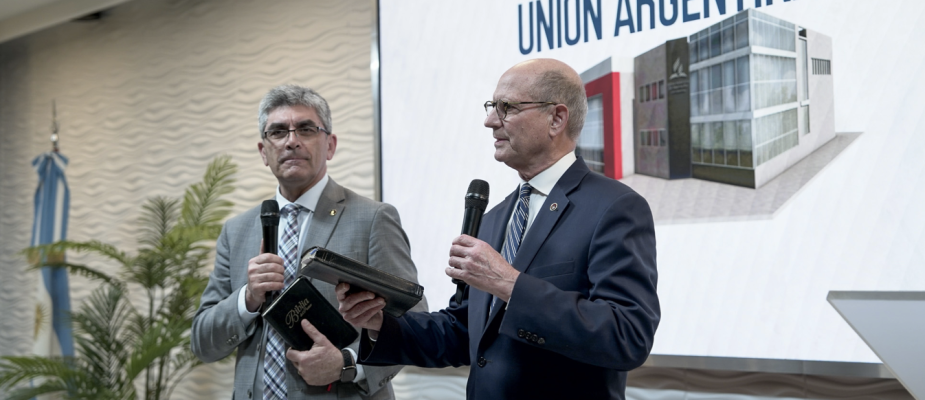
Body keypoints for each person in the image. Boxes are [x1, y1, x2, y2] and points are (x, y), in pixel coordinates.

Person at [337, 59, 660, 400]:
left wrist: (509, 283)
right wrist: (378, 323)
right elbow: (463, 332)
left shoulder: (615, 207)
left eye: (507, 107)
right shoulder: (495, 217)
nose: (490, 121)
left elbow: (627, 337)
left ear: (557, 118)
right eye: (492, 107)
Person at [191, 84, 426, 400]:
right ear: (264, 151)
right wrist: (248, 298)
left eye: (305, 129)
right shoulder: (236, 231)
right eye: (278, 132)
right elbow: (203, 343)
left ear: (330, 145)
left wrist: (346, 364)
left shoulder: (373, 218)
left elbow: (415, 325)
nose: (291, 141)